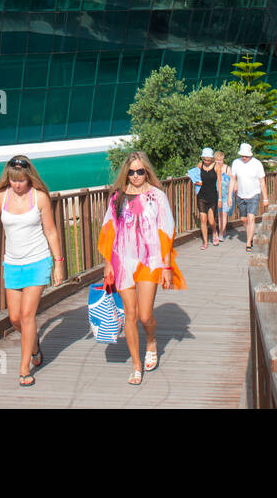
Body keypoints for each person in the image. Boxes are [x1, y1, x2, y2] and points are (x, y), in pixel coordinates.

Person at [98, 152, 185, 385]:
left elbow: (166, 230)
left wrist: (166, 266)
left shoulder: (157, 196)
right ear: (126, 173)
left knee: (145, 315)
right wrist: (108, 265)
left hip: (149, 259)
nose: (136, 176)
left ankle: (151, 340)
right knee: (130, 313)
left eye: (140, 171)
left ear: (147, 171)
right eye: (131, 171)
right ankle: (136, 365)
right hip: (122, 260)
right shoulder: (117, 198)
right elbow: (109, 232)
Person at [0, 154, 65, 387]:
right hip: (12, 264)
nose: (17, 185)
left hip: (38, 261)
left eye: (21, 180)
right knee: (15, 318)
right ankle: (35, 344)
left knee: (28, 315)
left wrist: (58, 263)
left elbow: (50, 231)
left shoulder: (39, 197)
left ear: (29, 178)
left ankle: (23, 367)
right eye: (13, 180)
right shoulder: (0, 197)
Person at [229, 142, 269, 252]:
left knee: (251, 218)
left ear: (250, 155)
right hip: (241, 195)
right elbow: (233, 180)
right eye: (242, 156)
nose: (244, 158)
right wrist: (229, 196)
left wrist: (265, 198)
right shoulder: (236, 163)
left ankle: (248, 242)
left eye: (246, 156)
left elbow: (262, 181)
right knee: (244, 219)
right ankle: (250, 235)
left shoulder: (257, 164)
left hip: (254, 194)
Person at [187, 147, 220, 248]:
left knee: (211, 220)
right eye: (204, 160)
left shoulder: (216, 166)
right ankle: (205, 242)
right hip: (201, 195)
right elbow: (191, 174)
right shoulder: (200, 165)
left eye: (208, 160)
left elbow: (219, 183)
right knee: (203, 219)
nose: (206, 162)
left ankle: (214, 232)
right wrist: (197, 182)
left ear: (212, 159)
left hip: (212, 195)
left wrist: (220, 198)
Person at [214, 150, 233, 241]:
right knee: (219, 214)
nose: (220, 162)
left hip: (226, 195)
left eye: (221, 160)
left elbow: (232, 180)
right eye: (218, 160)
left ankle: (221, 233)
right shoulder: (213, 169)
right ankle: (222, 230)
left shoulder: (227, 169)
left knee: (224, 214)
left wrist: (232, 194)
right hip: (217, 195)